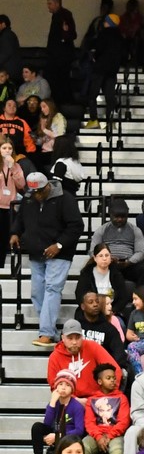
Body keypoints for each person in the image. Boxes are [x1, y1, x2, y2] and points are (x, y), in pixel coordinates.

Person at [10, 171, 83, 348]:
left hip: (59, 253)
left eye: (39, 191)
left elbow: (76, 226)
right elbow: (21, 219)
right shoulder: (29, 198)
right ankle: (50, 329)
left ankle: (46, 333)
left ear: (47, 186)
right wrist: (15, 232)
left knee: (52, 288)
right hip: (36, 253)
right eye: (33, 191)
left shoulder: (65, 198)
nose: (36, 195)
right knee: (37, 292)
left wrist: (58, 245)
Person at [47, 318, 122, 401]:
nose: (74, 342)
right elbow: (55, 386)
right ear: (63, 338)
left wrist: (109, 394)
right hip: (68, 401)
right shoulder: (55, 357)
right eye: (70, 338)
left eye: (77, 338)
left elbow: (115, 370)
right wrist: (75, 401)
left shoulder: (93, 347)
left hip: (97, 399)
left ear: (82, 336)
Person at [82, 362, 130, 454]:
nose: (113, 381)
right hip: (96, 435)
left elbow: (123, 422)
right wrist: (98, 437)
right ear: (99, 381)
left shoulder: (121, 398)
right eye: (108, 378)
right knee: (83, 446)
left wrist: (109, 436)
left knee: (118, 450)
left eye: (114, 378)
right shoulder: (92, 399)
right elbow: (89, 423)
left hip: (114, 435)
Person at [31, 369, 85, 454]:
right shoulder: (53, 403)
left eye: (67, 385)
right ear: (56, 387)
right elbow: (47, 423)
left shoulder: (76, 406)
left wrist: (57, 436)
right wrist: (52, 402)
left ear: (72, 389)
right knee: (37, 427)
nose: (63, 387)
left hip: (68, 436)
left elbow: (79, 430)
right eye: (60, 384)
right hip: (54, 431)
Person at [84, 14, 124, 130]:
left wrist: (94, 56)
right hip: (112, 71)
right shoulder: (120, 37)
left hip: (100, 69)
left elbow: (98, 48)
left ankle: (93, 119)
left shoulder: (103, 34)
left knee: (92, 95)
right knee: (110, 96)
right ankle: (110, 121)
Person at [75, 242, 128, 314]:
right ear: (95, 258)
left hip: (112, 311)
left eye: (107, 255)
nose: (104, 258)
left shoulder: (116, 273)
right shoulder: (87, 273)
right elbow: (80, 295)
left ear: (110, 257)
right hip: (91, 312)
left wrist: (112, 311)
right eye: (101, 256)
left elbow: (123, 297)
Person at [45, 0, 77, 105]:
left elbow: (71, 34)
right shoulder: (58, 15)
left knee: (61, 80)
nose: (48, 6)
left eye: (50, 3)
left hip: (61, 55)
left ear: (57, 4)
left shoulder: (64, 15)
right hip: (58, 54)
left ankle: (62, 101)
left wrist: (65, 33)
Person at [0, 133, 24, 268]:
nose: (7, 151)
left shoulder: (16, 166)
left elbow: (21, 184)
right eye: (4, 148)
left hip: (10, 208)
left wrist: (13, 167)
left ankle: (2, 265)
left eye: (9, 148)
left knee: (5, 239)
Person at [0, 15, 22, 80]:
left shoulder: (6, 36)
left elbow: (5, 53)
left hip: (9, 71)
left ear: (3, 24)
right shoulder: (9, 34)